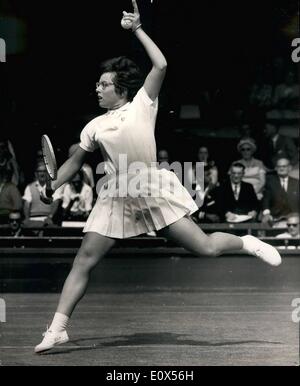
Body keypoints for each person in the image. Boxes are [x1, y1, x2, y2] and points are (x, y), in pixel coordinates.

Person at [35, 0, 281, 354]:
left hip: (150, 188)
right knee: (84, 259)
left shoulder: (142, 104)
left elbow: (161, 64)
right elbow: (75, 161)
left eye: (104, 84)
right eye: (97, 84)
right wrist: (53, 185)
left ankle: (247, 243)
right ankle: (58, 329)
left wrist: (136, 29)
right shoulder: (94, 126)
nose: (98, 88)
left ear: (121, 88)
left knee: (206, 248)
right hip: (117, 196)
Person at [261, 157, 299, 226]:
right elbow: (266, 200)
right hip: (276, 218)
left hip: (295, 219)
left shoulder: (297, 183)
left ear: (289, 168)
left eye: (284, 166)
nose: (281, 169)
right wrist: (266, 213)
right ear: (276, 168)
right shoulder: (270, 183)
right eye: (279, 166)